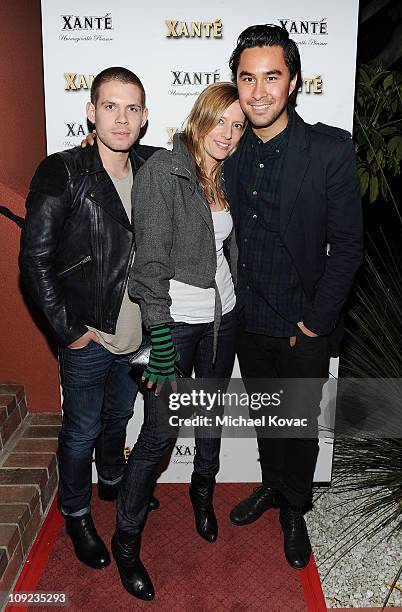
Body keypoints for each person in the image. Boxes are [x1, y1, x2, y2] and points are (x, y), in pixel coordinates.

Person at [224, 25, 363, 569]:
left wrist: (314, 322)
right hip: (245, 319)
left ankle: (294, 509)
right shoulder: (227, 148)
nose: (259, 92)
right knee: (266, 417)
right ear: (236, 84)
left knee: (299, 427)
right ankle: (271, 486)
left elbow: (348, 247)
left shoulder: (328, 150)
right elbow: (163, 164)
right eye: (247, 78)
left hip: (303, 323)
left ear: (294, 81)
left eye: (272, 77)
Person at [19, 66, 159, 571]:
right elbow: (34, 259)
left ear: (144, 117)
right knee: (80, 430)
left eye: (131, 108)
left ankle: (113, 481)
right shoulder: (63, 171)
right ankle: (75, 511)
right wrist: (70, 332)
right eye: (110, 106)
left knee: (119, 417)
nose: (121, 119)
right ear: (91, 111)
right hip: (90, 332)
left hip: (137, 333)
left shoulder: (153, 167)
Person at [109, 82, 245, 601]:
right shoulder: (164, 172)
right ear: (199, 117)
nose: (228, 134)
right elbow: (150, 265)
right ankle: (127, 541)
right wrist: (161, 338)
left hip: (222, 316)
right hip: (176, 323)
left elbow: (226, 248)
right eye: (220, 122)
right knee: (159, 436)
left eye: (237, 126)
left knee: (209, 411)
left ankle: (202, 492)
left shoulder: (224, 173)